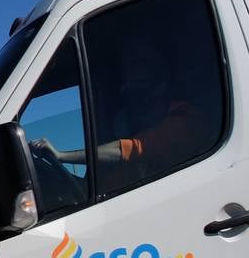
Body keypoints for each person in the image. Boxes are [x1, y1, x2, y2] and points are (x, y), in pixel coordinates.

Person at [33, 37, 205, 184]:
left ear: (161, 85)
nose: (129, 92)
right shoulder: (133, 145)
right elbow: (109, 186)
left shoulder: (186, 119)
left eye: (138, 85)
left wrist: (61, 155)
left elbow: (134, 148)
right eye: (126, 86)